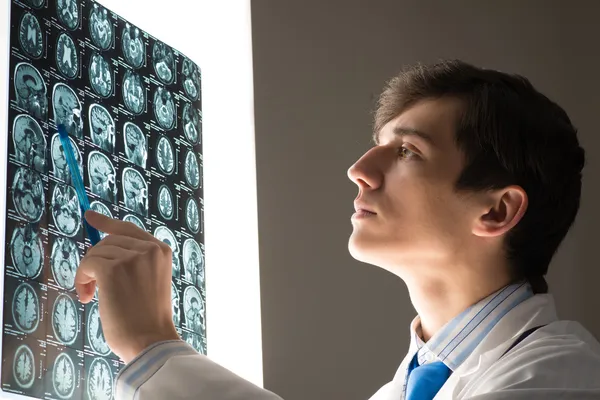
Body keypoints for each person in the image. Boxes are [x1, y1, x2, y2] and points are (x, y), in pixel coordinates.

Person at [75, 60, 600, 400]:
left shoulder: (564, 376)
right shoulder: (404, 390)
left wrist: (155, 349)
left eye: (407, 152)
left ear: (497, 211)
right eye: (379, 144)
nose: (359, 169)